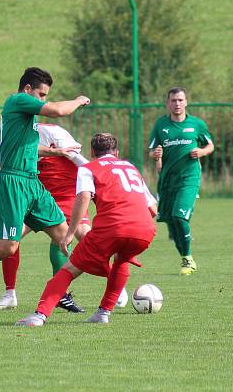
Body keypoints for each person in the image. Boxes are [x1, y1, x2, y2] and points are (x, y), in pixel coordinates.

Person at [0, 67, 90, 307]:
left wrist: (53, 151)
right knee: (7, 247)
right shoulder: (17, 101)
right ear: (27, 90)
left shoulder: (25, 115)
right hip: (13, 182)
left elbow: (24, 147)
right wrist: (78, 100)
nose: (43, 100)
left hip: (33, 183)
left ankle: (58, 292)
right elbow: (57, 111)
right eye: (41, 94)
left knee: (64, 236)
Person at [0, 122, 129, 311]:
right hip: (39, 195)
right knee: (11, 240)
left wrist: (105, 183)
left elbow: (81, 161)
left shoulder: (53, 133)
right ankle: (9, 293)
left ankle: (114, 283)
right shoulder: (7, 140)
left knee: (83, 234)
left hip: (66, 192)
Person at [16, 133, 157, 326]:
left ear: (92, 152)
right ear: (116, 152)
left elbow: (83, 197)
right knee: (121, 259)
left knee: (68, 270)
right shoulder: (131, 167)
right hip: (145, 229)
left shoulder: (88, 168)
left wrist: (70, 233)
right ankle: (103, 312)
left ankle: (39, 316)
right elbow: (153, 208)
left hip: (112, 228)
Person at [148, 87, 214, 275]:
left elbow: (210, 145)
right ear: (167, 103)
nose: (177, 104)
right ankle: (184, 256)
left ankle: (188, 258)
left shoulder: (196, 124)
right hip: (167, 180)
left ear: (186, 102)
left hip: (189, 178)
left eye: (180, 100)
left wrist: (201, 152)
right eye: (173, 100)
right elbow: (152, 150)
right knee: (171, 221)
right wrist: (156, 154)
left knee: (179, 216)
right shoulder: (161, 125)